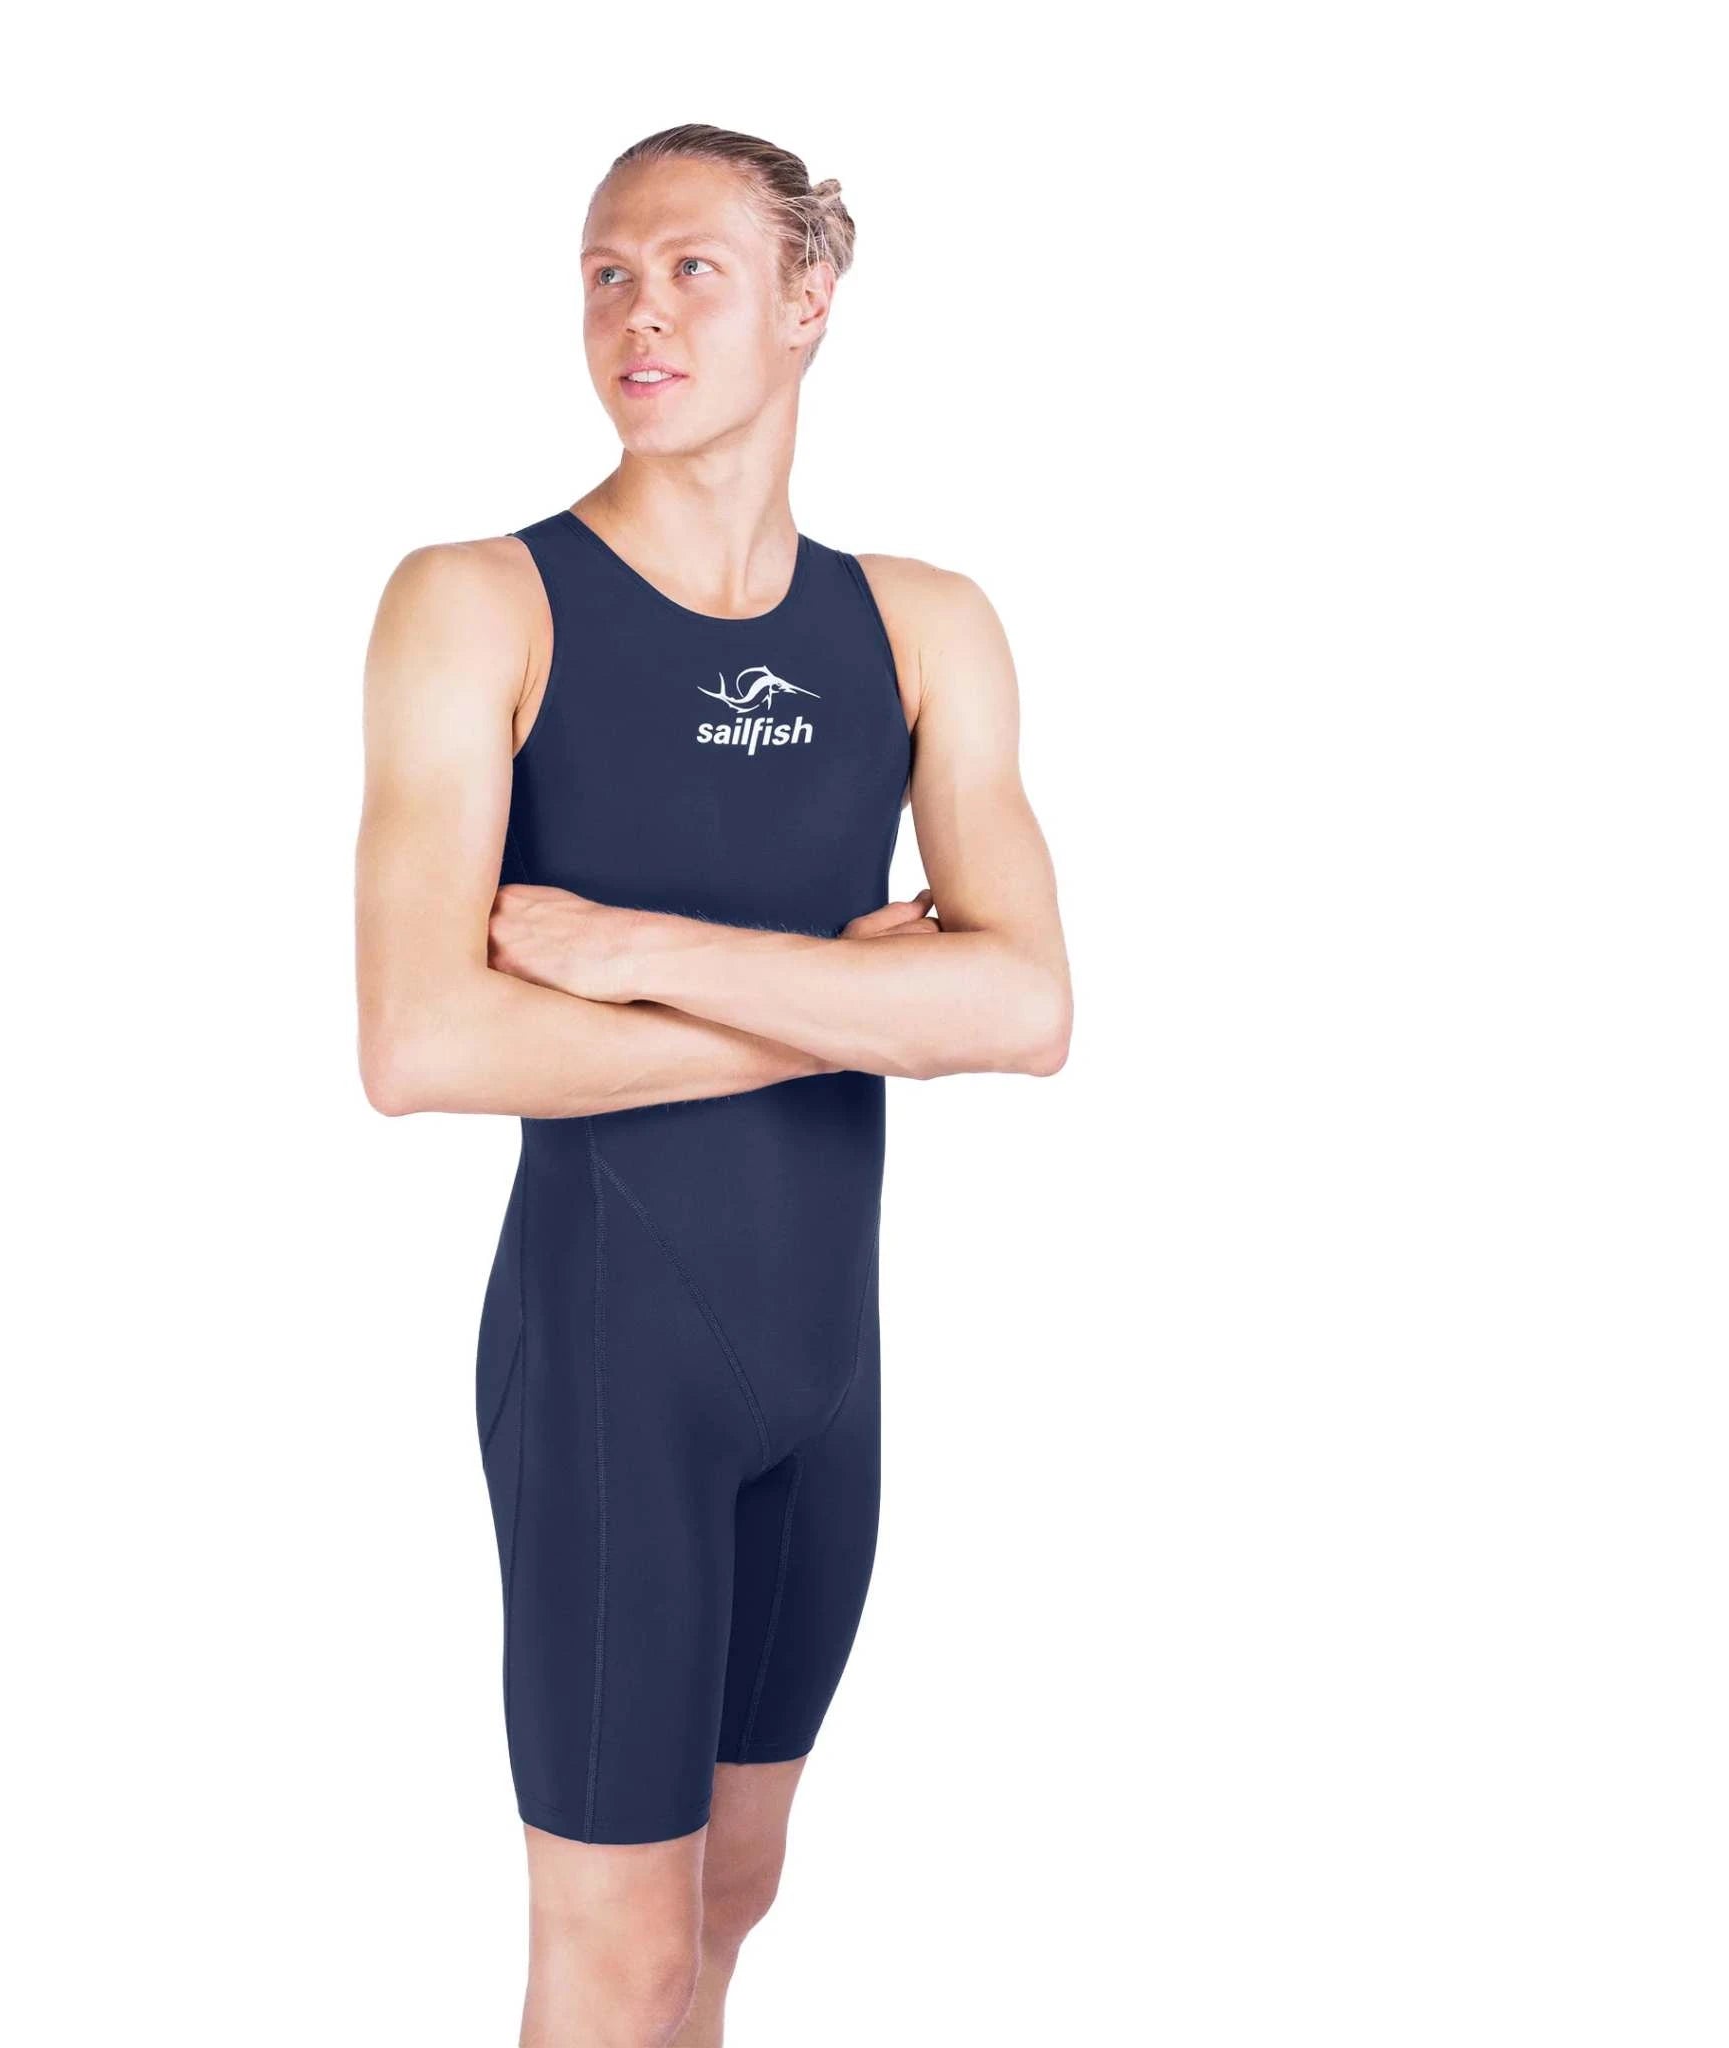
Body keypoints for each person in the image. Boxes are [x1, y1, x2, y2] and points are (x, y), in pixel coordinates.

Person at [355, 122, 1072, 2048]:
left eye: (692, 270)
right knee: (616, 1962)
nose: (640, 313)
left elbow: (1025, 1006)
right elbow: (423, 1043)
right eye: (607, 272)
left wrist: (643, 950)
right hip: (611, 1368)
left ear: (809, 300)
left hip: (823, 1378)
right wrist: (854, 999)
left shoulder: (920, 624)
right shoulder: (479, 603)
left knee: (729, 1909)